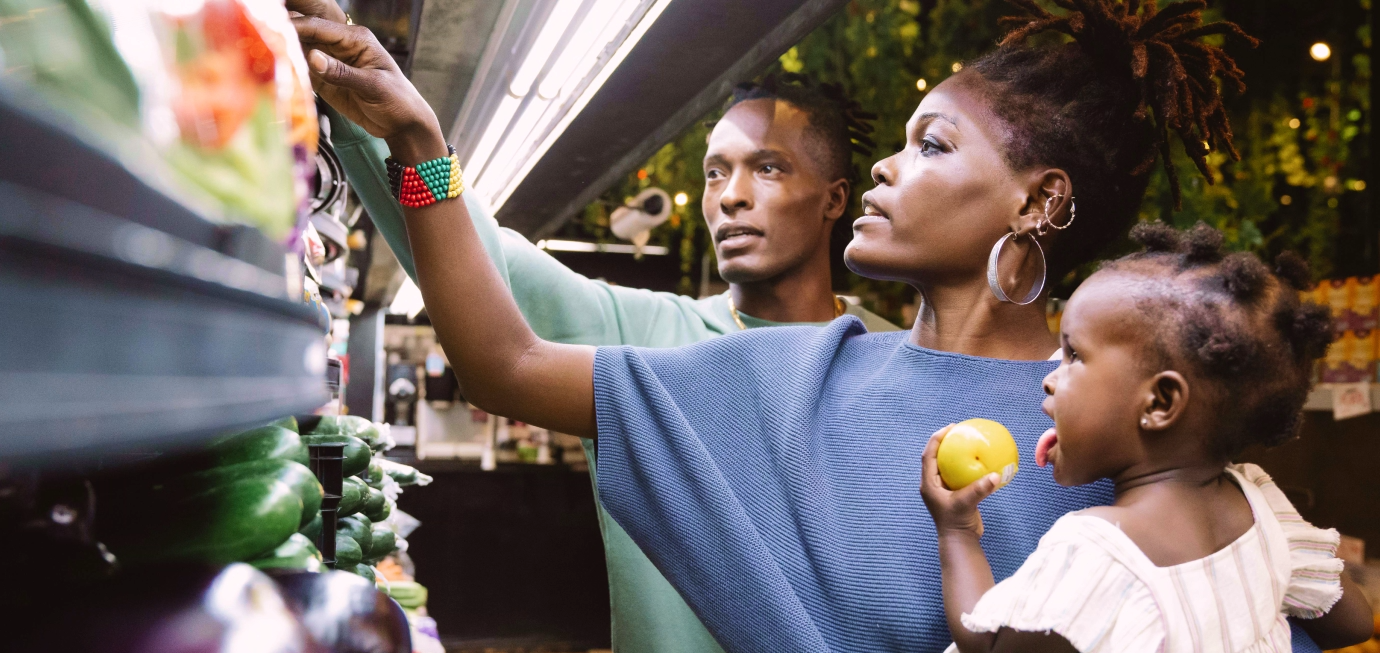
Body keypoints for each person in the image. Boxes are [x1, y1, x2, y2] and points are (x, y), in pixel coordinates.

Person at [290, 0, 1327, 650]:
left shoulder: (1140, 436)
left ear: (1038, 199)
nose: (883, 166)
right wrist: (418, 143)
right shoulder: (787, 375)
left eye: (931, 145)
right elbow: (504, 360)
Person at [287, 3, 894, 651]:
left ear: (835, 197)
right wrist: (376, 120)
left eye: (767, 167)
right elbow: (482, 260)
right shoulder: (643, 333)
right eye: (715, 171)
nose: (731, 195)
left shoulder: (898, 362)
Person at [922, 222, 1375, 653]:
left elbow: (987, 644)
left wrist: (957, 531)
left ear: (1160, 402)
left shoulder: (1096, 549)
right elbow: (1353, 622)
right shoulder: (1261, 505)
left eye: (1074, 354)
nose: (1049, 377)